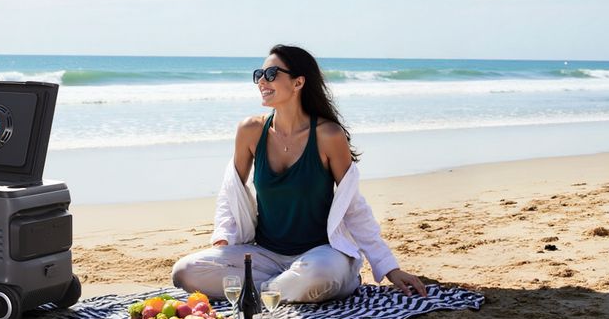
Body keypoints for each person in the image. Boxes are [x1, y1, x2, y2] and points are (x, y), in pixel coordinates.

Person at [171, 44, 426, 304]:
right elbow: (231, 192)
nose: (261, 81)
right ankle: (281, 289)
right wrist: (224, 238)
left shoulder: (328, 136)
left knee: (319, 276)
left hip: (322, 255)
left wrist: (388, 266)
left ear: (298, 82)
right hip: (266, 256)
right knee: (185, 272)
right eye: (259, 74)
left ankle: (265, 290)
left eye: (271, 74)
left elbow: (353, 206)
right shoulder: (251, 130)